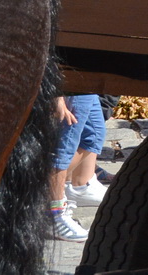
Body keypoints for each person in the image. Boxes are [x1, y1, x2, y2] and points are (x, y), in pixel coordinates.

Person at [49, 94, 107, 241]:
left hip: (86, 83)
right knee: (65, 147)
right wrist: (57, 96)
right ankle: (52, 211)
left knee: (93, 135)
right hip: (72, 82)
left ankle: (79, 187)